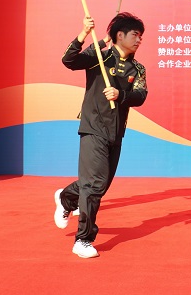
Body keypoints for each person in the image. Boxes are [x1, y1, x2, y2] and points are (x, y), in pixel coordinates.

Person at [53, 13, 147, 258]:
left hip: (116, 132)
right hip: (93, 127)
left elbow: (141, 95)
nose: (139, 40)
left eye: (141, 36)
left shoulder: (138, 68)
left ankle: (66, 198)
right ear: (120, 35)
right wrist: (85, 33)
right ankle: (83, 239)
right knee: (94, 184)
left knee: (100, 185)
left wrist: (120, 94)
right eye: (135, 35)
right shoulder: (100, 56)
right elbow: (69, 60)